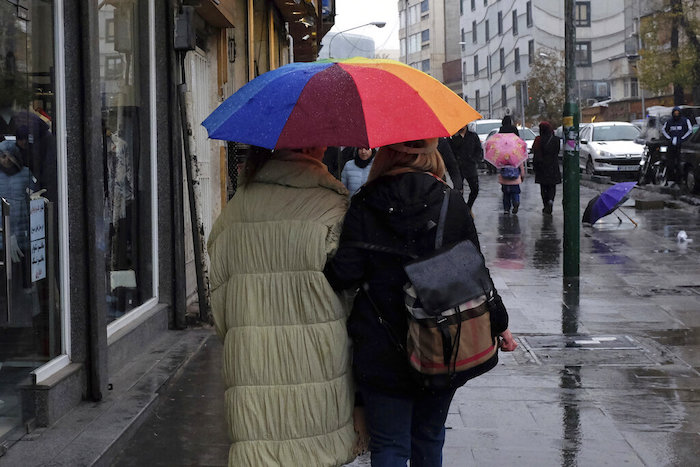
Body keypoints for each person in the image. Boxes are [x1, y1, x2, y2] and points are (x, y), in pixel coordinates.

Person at [324, 138, 517, 467]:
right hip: (441, 342)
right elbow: (475, 273)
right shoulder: (450, 201)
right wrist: (500, 324)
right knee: (429, 437)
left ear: (387, 153)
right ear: (431, 153)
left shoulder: (364, 203)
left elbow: (344, 274)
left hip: (381, 344)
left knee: (389, 444)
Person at [206, 146, 360, 466]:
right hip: (319, 354)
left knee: (258, 448)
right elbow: (350, 289)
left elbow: (219, 291)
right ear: (314, 146)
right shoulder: (333, 203)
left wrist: (238, 330)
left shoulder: (237, 207)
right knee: (316, 447)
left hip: (250, 353)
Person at [450, 126, 483, 210]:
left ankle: (468, 207)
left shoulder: (473, 136)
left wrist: (474, 159)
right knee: (458, 190)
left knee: (475, 189)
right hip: (458, 168)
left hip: (470, 166)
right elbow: (450, 152)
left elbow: (478, 150)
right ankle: (461, 209)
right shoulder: (453, 137)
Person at [532, 121, 562, 215]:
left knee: (543, 187)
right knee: (552, 186)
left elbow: (535, 152)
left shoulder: (538, 140)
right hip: (553, 166)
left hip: (541, 167)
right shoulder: (556, 140)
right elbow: (557, 152)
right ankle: (551, 201)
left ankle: (545, 205)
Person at [661, 106, 693, 185]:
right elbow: (664, 130)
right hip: (671, 145)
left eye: (677, 113)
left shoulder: (685, 121)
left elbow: (690, 130)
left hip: (681, 145)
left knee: (680, 162)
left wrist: (682, 139)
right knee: (670, 162)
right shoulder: (669, 121)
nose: (676, 114)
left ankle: (680, 179)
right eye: (675, 113)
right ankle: (671, 178)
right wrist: (669, 138)